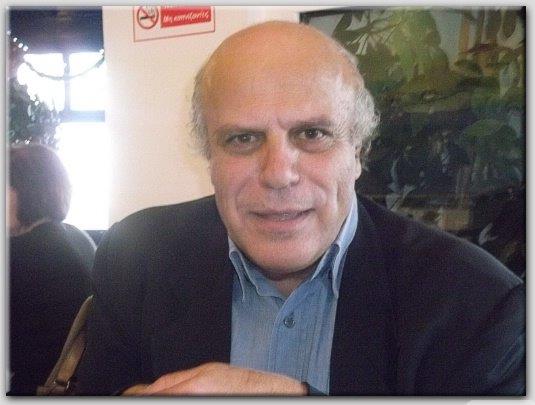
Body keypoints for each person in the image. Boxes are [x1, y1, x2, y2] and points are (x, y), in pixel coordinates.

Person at [76, 21, 525, 396]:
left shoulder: (477, 305)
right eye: (242, 138)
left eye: (312, 134)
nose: (278, 174)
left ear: (358, 152)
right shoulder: (135, 259)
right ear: (210, 158)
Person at [8, 143, 94, 395]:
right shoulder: (78, 239)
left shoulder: (19, 254)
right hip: (74, 385)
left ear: (24, 191)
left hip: (33, 389)